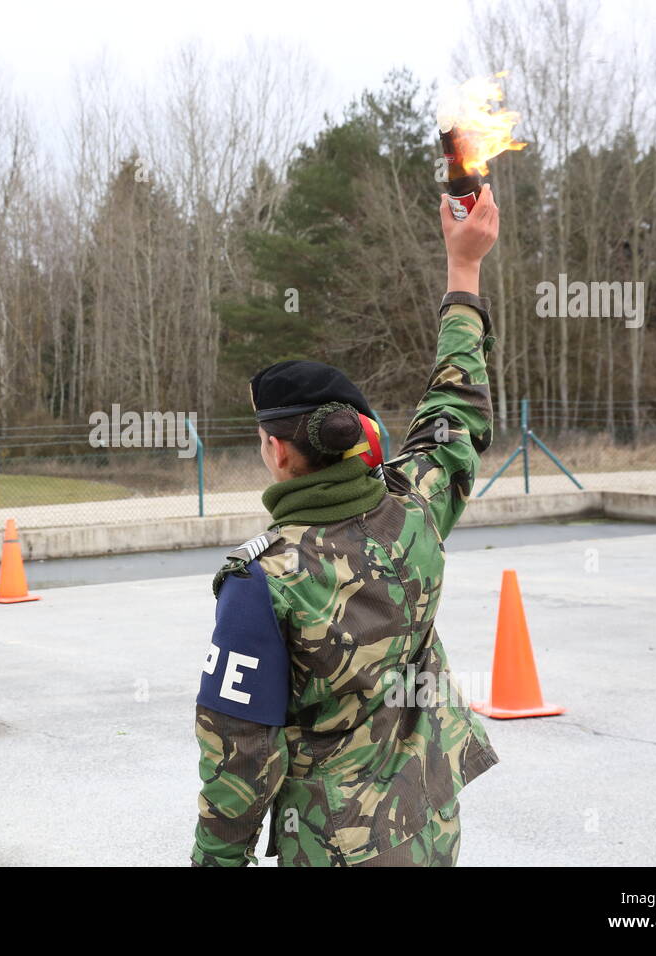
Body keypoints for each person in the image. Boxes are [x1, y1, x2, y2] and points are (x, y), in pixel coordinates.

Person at [191, 184, 502, 866]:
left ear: (277, 450)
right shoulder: (415, 508)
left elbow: (238, 761)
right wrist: (465, 269)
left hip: (332, 850)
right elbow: (457, 407)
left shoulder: (260, 583)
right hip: (427, 830)